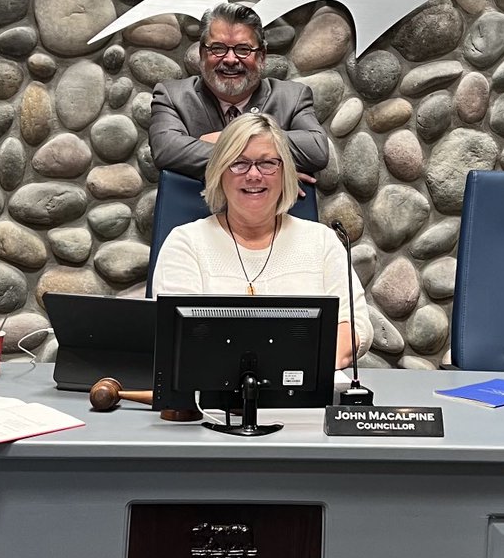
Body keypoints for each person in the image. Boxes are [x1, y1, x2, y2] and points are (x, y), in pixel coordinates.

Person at [152, 112, 372, 370]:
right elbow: (178, 338)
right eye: (239, 163)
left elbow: (354, 326)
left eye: (267, 163)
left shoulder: (322, 241)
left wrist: (292, 370)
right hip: (213, 392)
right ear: (219, 172)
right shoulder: (185, 243)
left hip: (304, 387)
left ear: (285, 173)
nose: (254, 175)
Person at [148, 2, 329, 184]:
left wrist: (229, 139)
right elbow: (166, 150)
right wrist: (268, 168)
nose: (230, 59)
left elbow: (316, 150)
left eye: (243, 49)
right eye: (218, 48)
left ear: (262, 56)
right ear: (202, 54)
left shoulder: (292, 97)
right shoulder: (172, 96)